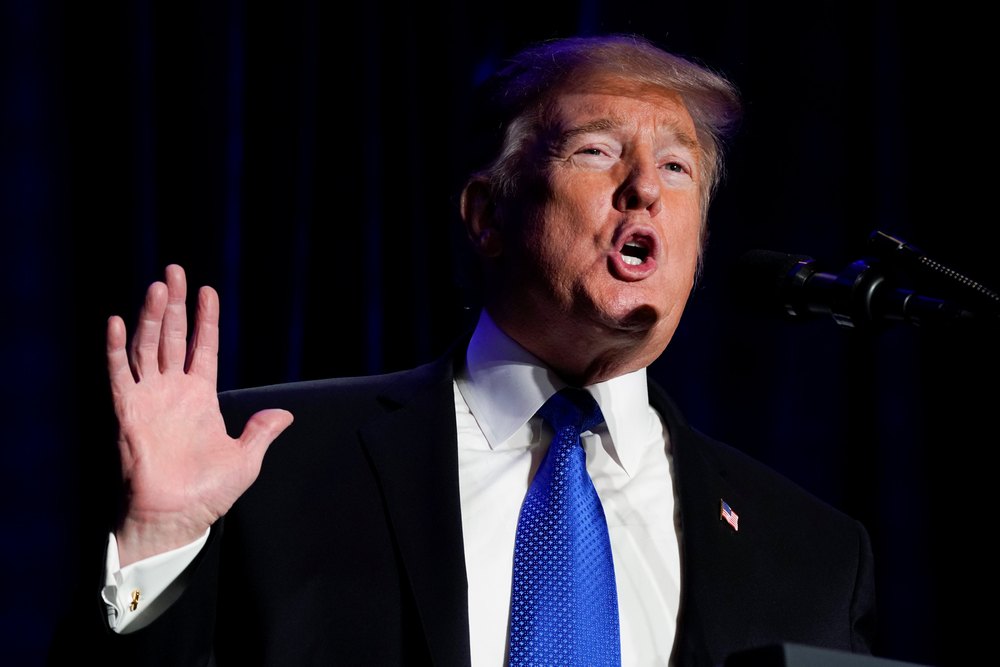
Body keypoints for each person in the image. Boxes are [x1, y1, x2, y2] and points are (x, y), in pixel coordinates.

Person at [49, 33, 876, 666]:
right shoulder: (267, 462)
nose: (645, 188)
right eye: (597, 150)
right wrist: (158, 549)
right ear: (487, 214)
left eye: (677, 166)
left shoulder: (811, 554)